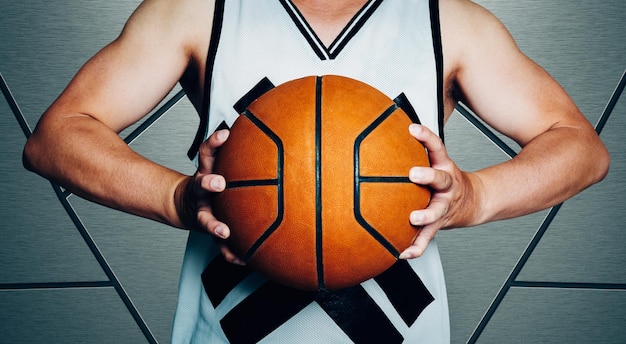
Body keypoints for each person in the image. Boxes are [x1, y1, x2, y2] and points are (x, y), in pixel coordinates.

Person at [23, 0, 609, 342]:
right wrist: (179, 198)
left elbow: (580, 148)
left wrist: (475, 195)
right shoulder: (201, 10)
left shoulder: (447, 21)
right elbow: (57, 136)